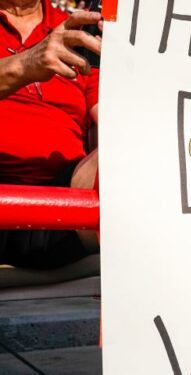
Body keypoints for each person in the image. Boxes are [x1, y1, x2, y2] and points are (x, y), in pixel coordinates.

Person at [0, 0, 101, 281]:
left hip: (63, 210)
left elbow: (115, 116)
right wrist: (25, 64)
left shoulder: (77, 31)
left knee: (131, 152)